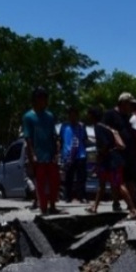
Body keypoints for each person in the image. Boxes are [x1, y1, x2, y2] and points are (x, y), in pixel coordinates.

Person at [87, 106, 136, 218]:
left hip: (110, 161)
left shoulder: (98, 127)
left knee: (118, 185)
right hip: (111, 160)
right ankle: (95, 207)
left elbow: (105, 145)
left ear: (92, 116)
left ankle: (132, 209)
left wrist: (100, 156)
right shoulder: (106, 126)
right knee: (102, 184)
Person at [22, 87, 59, 215]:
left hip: (50, 153)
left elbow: (54, 136)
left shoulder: (49, 116)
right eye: (43, 99)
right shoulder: (28, 117)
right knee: (41, 183)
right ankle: (43, 208)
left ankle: (53, 205)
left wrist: (56, 153)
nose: (45, 101)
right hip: (38, 154)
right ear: (36, 100)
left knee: (54, 181)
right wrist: (32, 155)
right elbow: (28, 137)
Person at [103, 93, 136, 211]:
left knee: (130, 178)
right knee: (117, 179)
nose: (131, 106)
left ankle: (132, 203)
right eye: (130, 103)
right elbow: (104, 130)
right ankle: (116, 202)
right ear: (124, 103)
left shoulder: (128, 116)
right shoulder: (110, 114)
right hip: (116, 153)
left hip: (129, 152)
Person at [59, 105, 89, 203]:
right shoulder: (64, 126)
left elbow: (85, 139)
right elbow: (60, 140)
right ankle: (68, 196)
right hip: (68, 155)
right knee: (69, 178)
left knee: (81, 177)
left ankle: (82, 196)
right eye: (70, 115)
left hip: (80, 155)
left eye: (74, 115)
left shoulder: (81, 126)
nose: (73, 117)